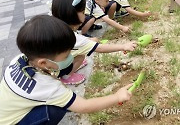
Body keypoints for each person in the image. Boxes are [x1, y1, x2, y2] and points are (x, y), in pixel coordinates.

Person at [0, 15, 133, 125]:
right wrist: (117, 97)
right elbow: (84, 106)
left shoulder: (18, 60)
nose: (70, 56)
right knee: (56, 108)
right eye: (66, 55)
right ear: (43, 63)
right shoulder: (47, 87)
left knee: (61, 100)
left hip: (7, 112)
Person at [52, 0, 137, 85]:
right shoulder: (72, 37)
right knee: (81, 56)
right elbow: (99, 48)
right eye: (83, 12)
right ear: (72, 14)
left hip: (53, 63)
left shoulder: (58, 26)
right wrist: (123, 46)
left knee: (82, 49)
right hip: (57, 69)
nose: (85, 15)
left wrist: (90, 40)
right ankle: (66, 76)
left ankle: (68, 65)